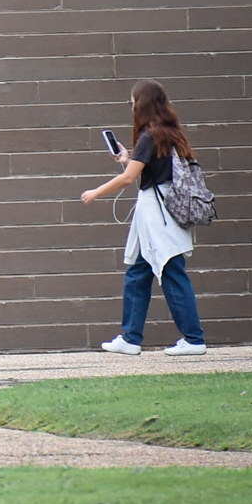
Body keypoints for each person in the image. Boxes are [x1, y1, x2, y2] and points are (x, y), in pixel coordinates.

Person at [80, 79, 206, 355]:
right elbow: (148, 169)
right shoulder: (167, 133)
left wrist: (94, 193)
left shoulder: (150, 136)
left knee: (171, 271)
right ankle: (131, 338)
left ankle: (194, 339)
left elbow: (128, 179)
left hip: (157, 214)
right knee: (139, 272)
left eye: (133, 101)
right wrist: (129, 156)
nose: (131, 106)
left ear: (143, 103)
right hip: (160, 212)